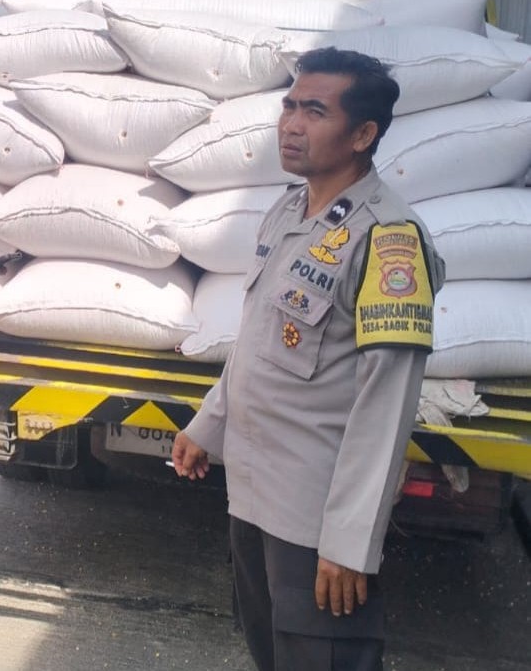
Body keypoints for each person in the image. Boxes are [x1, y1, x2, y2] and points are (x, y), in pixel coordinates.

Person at [172, 47, 445, 671]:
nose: (291, 124)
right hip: (252, 496)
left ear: (363, 135)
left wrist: (349, 542)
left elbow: (386, 405)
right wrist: (208, 424)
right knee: (270, 652)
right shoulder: (289, 211)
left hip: (314, 518)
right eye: (289, 106)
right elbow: (257, 338)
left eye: (315, 112)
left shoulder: (388, 240)